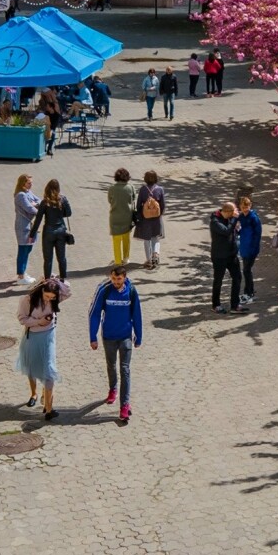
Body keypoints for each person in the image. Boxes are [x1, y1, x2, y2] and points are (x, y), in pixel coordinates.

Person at [88, 265, 143, 422]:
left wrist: (138, 336)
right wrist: (93, 336)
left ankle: (124, 405)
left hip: (125, 336)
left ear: (124, 277)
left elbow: (137, 314)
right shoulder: (104, 290)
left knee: (125, 369)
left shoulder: (131, 291)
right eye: (113, 279)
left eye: (119, 279)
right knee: (111, 365)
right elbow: (94, 313)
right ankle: (113, 388)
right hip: (109, 337)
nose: (116, 282)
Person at [15, 277, 72, 421]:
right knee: (32, 367)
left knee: (49, 370)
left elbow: (68, 290)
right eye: (47, 296)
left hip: (49, 337)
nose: (49, 300)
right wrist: (39, 322)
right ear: (41, 291)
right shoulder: (27, 300)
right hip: (32, 337)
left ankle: (48, 408)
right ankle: (33, 393)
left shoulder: (54, 297)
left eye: (52, 298)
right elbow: (22, 319)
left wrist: (54, 280)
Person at [30, 178, 73, 280]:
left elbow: (38, 219)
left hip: (48, 232)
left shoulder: (45, 202)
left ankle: (47, 281)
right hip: (61, 231)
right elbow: (69, 213)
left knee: (48, 259)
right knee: (61, 258)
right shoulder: (63, 199)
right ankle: (63, 279)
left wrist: (32, 235)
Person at [209, 202, 243, 313]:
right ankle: (216, 304)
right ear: (228, 212)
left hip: (231, 254)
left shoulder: (229, 218)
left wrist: (237, 226)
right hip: (219, 256)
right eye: (233, 213)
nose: (235, 215)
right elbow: (226, 231)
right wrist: (234, 220)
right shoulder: (215, 222)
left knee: (237, 277)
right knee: (218, 280)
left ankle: (235, 304)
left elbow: (233, 231)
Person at [134, 171, 166, 268]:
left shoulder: (143, 189)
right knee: (155, 238)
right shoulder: (160, 189)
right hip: (156, 219)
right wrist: (159, 214)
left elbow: (138, 204)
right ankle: (155, 254)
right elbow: (163, 205)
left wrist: (139, 217)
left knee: (147, 240)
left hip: (146, 219)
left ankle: (148, 260)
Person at [13, 173, 40, 284]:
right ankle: (20, 276)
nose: (31, 185)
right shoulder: (21, 195)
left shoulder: (28, 192)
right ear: (23, 183)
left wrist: (35, 203)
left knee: (28, 249)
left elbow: (39, 200)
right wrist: (39, 210)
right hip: (23, 226)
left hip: (30, 225)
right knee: (23, 250)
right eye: (29, 183)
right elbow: (29, 209)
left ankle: (23, 272)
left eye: (31, 183)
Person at [107, 168, 136, 266]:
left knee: (116, 240)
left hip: (115, 217)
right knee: (126, 239)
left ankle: (118, 261)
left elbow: (110, 200)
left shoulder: (112, 188)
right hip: (127, 217)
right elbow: (133, 199)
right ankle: (126, 258)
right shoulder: (130, 187)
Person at [237, 193, 262, 304]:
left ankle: (249, 292)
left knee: (246, 270)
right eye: (243, 207)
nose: (245, 209)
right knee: (247, 270)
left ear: (250, 206)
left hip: (250, 249)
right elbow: (242, 231)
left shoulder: (253, 218)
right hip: (244, 248)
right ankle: (248, 292)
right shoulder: (241, 216)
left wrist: (254, 249)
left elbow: (257, 234)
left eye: (246, 207)